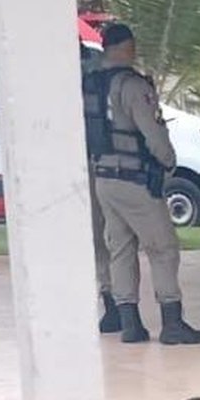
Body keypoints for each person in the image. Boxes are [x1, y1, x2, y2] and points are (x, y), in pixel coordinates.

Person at [86, 23, 200, 345]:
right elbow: (153, 133)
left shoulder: (92, 84)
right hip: (135, 179)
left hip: (103, 178)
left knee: (121, 249)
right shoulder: (132, 85)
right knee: (163, 247)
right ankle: (172, 323)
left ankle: (130, 323)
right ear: (127, 47)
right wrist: (168, 161)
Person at [79, 39, 119, 334]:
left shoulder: (99, 68)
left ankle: (117, 303)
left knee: (107, 236)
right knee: (98, 238)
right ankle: (113, 302)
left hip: (102, 162)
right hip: (88, 162)